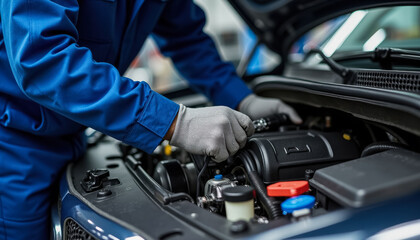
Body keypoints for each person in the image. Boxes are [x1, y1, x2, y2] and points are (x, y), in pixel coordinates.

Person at [0, 0, 301, 239]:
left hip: (74, 126)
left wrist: (242, 99)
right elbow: (43, 61)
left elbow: (186, 39)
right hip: (14, 141)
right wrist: (175, 122)